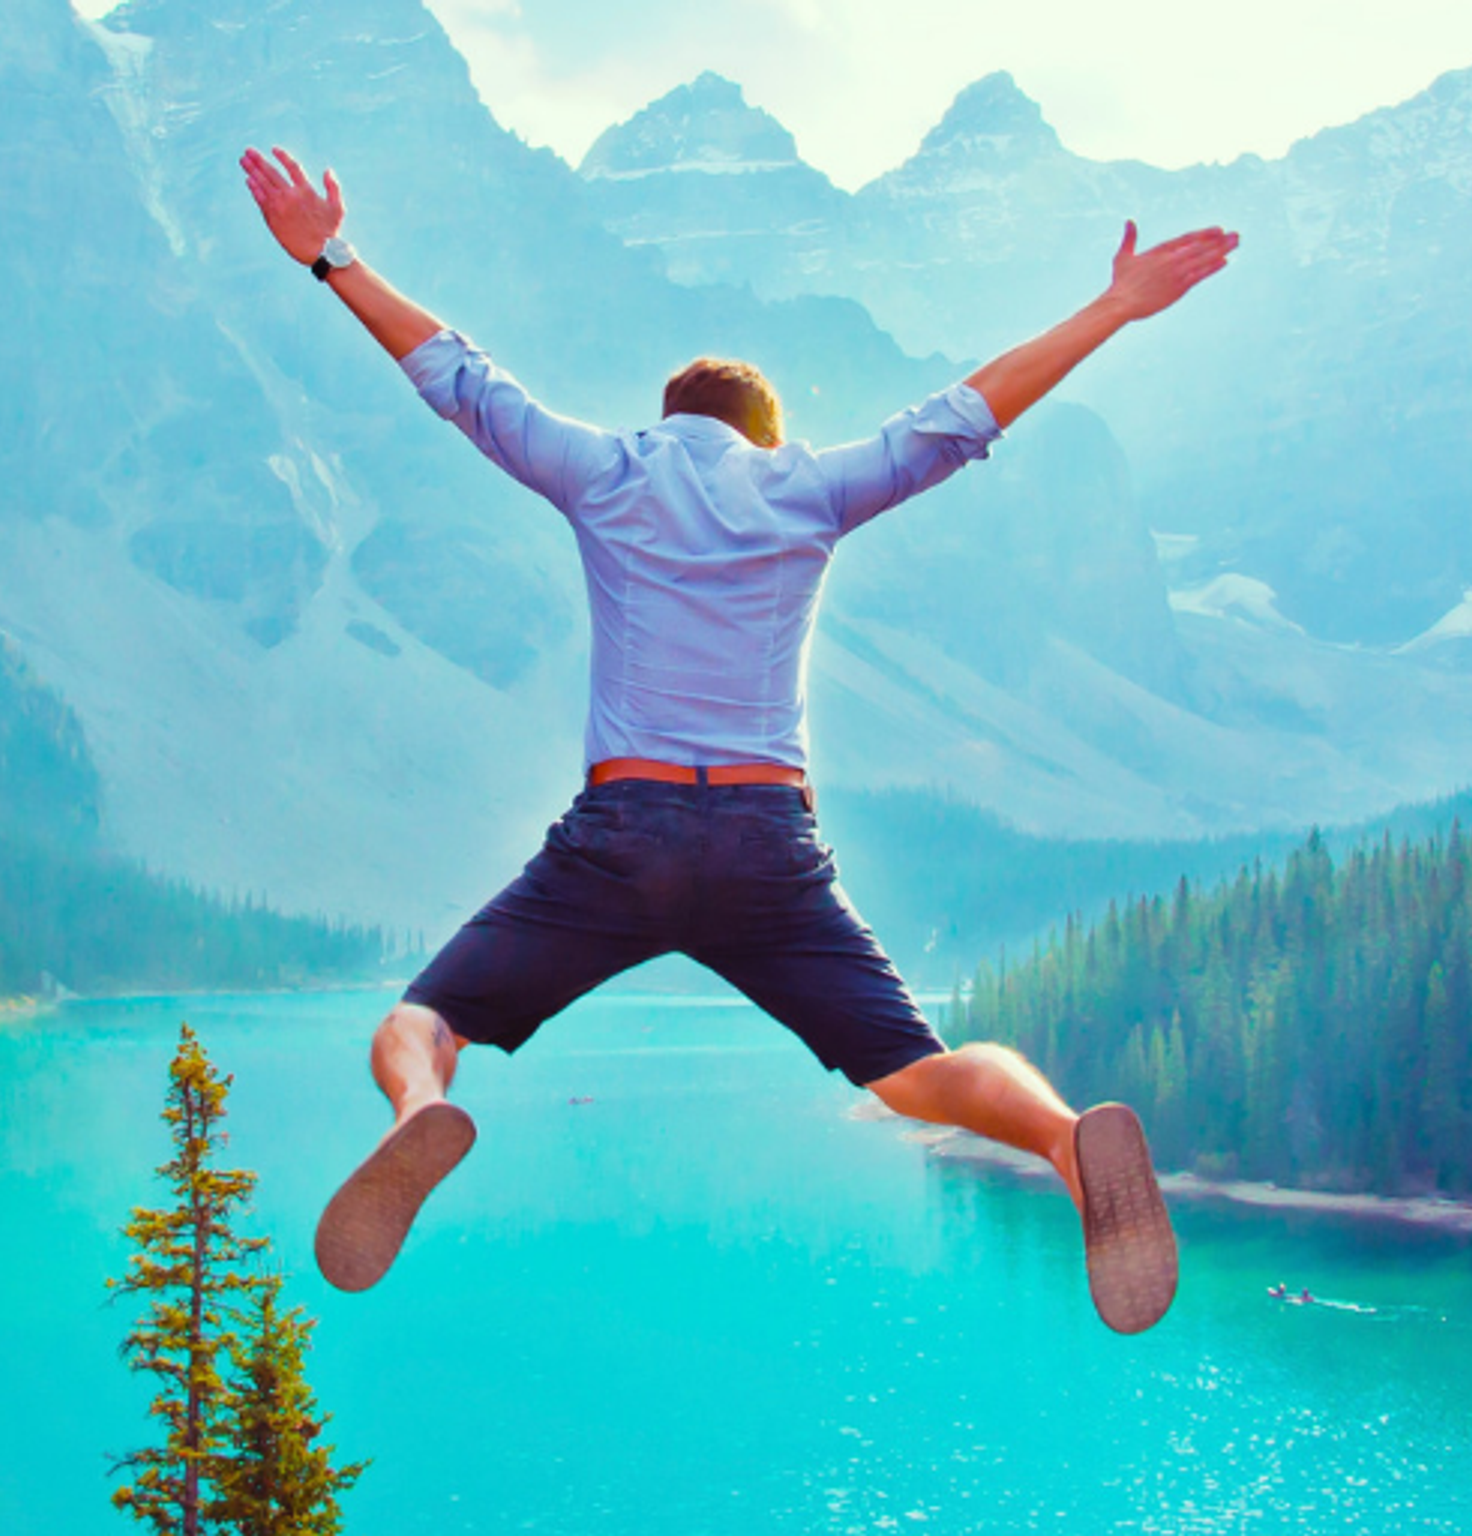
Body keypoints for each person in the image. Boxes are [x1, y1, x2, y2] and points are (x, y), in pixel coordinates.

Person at [239, 146, 1238, 1335]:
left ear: (669, 421)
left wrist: (331, 256)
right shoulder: (806, 488)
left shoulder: (606, 470)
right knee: (914, 1071)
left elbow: (456, 376)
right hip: (768, 840)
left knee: (421, 1023)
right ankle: (1069, 1142)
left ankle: (417, 1116)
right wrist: (1117, 307)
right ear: (765, 433)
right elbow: (969, 413)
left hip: (623, 833)